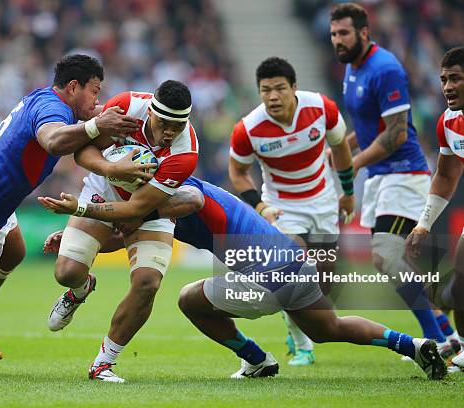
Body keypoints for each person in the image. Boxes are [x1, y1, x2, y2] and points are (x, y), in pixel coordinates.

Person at [44, 176, 448, 381]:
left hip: (265, 275)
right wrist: (82, 243)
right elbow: (127, 231)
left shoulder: (180, 194)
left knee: (189, 299)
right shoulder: (166, 196)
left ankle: (255, 360)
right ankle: (413, 344)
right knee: (329, 327)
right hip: (292, 265)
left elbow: (179, 205)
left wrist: (93, 217)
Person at [0, 54, 151, 375]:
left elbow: (85, 120)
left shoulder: (49, 99)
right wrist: (98, 123)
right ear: (73, 86)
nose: (97, 99)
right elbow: (54, 140)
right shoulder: (53, 110)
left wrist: (113, 116)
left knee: (14, 250)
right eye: (95, 91)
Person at [38, 80, 198, 382]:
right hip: (104, 188)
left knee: (148, 283)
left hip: (149, 204)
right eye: (164, 123)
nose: (169, 133)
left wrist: (80, 211)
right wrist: (112, 169)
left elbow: (137, 210)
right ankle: (80, 288)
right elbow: (83, 151)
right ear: (150, 110)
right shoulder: (125, 108)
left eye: (177, 127)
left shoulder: (185, 152)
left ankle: (103, 363)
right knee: (66, 272)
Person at [329, 2, 454, 356]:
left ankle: (442, 339)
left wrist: (352, 163)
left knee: (387, 256)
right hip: (381, 180)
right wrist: (338, 146)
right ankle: (446, 332)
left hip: (405, 175)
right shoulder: (352, 69)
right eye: (334, 34)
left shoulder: (385, 68)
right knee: (395, 262)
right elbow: (370, 127)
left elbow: (397, 133)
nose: (338, 40)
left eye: (344, 33)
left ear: (363, 33)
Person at [228, 57, 355, 365]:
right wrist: (261, 206)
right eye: (265, 90)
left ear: (294, 88)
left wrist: (348, 192)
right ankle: (302, 346)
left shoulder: (322, 108)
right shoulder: (248, 128)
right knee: (293, 273)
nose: (273, 96)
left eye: (280, 89)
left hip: (323, 202)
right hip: (282, 208)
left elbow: (339, 147)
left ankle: (297, 328)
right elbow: (237, 171)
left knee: (324, 285)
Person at [406, 46, 464, 373]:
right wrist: (423, 225)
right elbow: (445, 174)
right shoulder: (449, 123)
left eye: (455, 78)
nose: (447, 86)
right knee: (459, 284)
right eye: (444, 79)